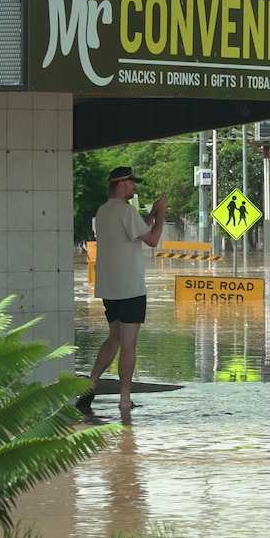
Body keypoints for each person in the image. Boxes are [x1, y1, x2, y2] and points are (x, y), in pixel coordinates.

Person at [77, 166, 167, 413]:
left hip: (110, 288)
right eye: (131, 183)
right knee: (128, 344)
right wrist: (160, 214)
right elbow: (151, 239)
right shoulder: (125, 210)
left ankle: (90, 385)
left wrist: (150, 215)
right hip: (130, 287)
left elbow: (136, 232)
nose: (134, 186)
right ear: (120, 184)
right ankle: (125, 399)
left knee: (114, 338)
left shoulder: (104, 211)